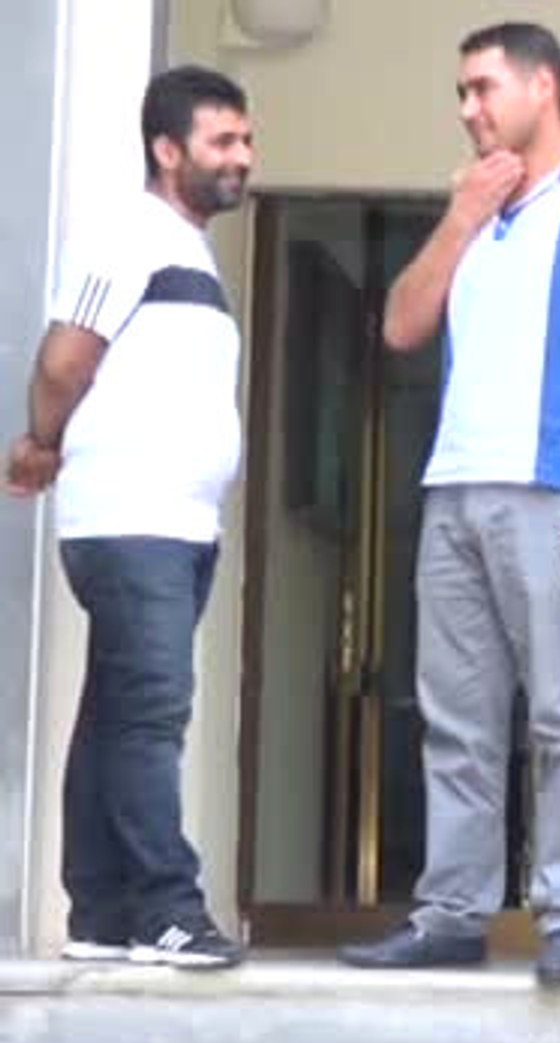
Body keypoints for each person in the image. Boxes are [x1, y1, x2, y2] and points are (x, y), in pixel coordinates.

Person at [339, 20, 560, 988]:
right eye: (462, 92)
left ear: (543, 87)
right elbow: (401, 326)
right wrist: (460, 218)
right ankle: (453, 913)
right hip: (453, 487)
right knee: (457, 717)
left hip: (552, 486)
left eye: (482, 88)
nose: (467, 109)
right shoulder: (476, 210)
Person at [4, 66, 256, 969]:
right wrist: (41, 442)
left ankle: (103, 914)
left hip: (178, 525)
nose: (242, 157)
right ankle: (166, 912)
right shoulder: (127, 233)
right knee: (152, 712)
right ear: (167, 149)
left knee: (117, 711)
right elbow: (64, 358)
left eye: (246, 141)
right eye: (223, 141)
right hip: (129, 521)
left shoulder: (188, 248)